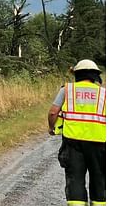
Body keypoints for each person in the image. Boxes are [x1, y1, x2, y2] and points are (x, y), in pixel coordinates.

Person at [48, 59, 106, 206]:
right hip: (100, 144)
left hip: (73, 143)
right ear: (95, 75)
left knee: (75, 179)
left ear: (77, 74)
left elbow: (53, 112)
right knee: (100, 179)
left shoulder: (67, 90)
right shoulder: (104, 94)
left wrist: (51, 128)